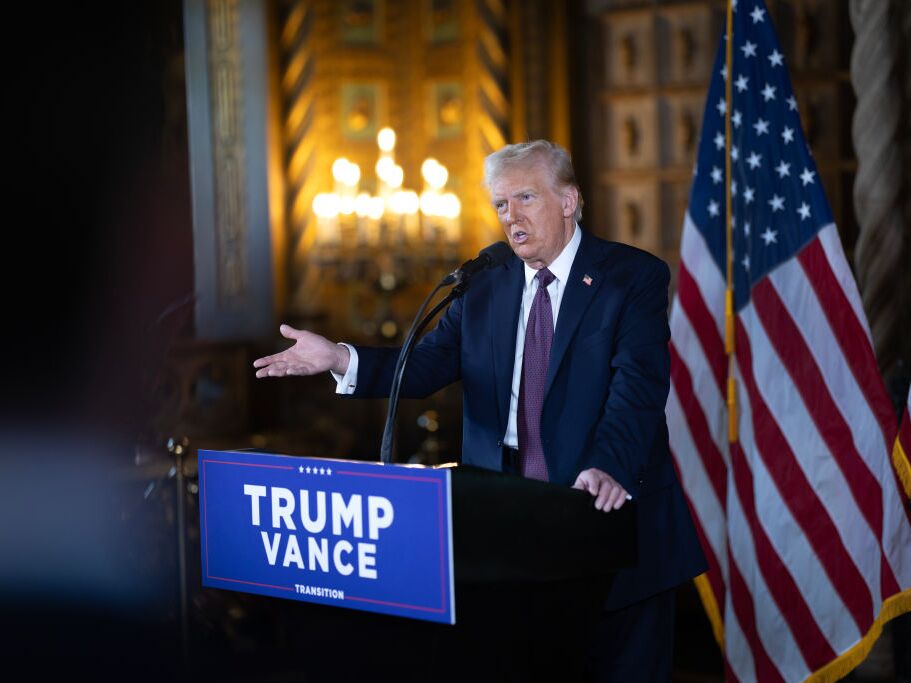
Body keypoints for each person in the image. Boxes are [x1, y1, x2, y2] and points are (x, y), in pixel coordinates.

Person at [254, 140, 706, 681]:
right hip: (507, 529)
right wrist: (338, 356)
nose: (510, 217)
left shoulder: (631, 277)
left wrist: (608, 462)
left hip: (608, 522)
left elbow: (638, 388)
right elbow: (423, 366)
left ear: (569, 201)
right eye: (499, 204)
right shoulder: (484, 281)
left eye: (525, 198)